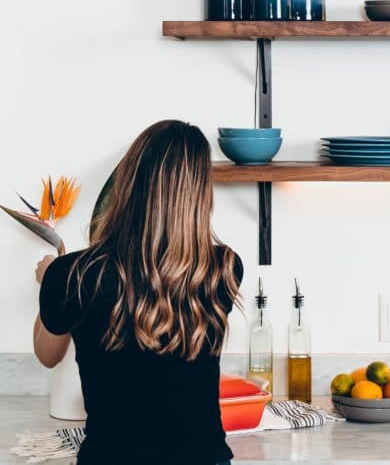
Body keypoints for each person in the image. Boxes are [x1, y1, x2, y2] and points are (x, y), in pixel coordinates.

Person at [33, 120, 243, 465]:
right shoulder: (222, 268)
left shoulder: (72, 273)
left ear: (127, 181)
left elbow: (48, 355)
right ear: (200, 194)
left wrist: (48, 286)